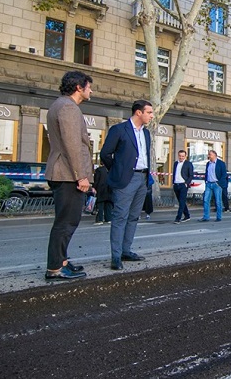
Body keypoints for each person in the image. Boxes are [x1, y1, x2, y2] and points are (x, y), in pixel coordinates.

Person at [43, 71, 93, 280]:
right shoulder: (68, 107)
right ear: (79, 87)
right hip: (67, 174)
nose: (91, 91)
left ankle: (62, 260)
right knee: (66, 222)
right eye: (89, 87)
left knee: (66, 221)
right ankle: (55, 268)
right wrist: (81, 176)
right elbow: (72, 145)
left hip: (64, 172)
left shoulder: (60, 105)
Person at [100, 99, 154, 271]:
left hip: (142, 178)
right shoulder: (119, 130)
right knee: (120, 217)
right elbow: (105, 154)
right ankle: (115, 257)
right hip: (126, 179)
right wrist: (118, 171)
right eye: (149, 112)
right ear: (139, 112)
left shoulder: (146, 133)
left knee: (133, 216)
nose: (152, 116)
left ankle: (126, 251)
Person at [198, 150, 228, 222]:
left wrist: (219, 183)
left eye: (210, 154)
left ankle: (219, 217)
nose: (209, 156)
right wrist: (206, 181)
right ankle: (206, 217)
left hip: (216, 184)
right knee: (206, 200)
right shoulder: (208, 163)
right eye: (209, 154)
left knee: (218, 201)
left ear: (215, 155)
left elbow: (224, 174)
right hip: (208, 184)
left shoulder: (221, 163)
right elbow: (207, 173)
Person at [172, 150, 194, 224]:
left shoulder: (188, 164)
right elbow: (174, 173)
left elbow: (191, 175)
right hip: (176, 184)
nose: (181, 157)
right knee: (181, 201)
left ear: (185, 156)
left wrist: (186, 183)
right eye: (180, 156)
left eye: (182, 156)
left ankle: (178, 218)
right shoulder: (175, 163)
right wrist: (173, 183)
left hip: (183, 185)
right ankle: (187, 215)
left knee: (181, 202)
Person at [93, 160, 113, 225]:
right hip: (109, 189)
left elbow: (96, 180)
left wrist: (94, 187)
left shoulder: (99, 170)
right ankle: (108, 218)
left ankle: (100, 219)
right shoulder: (111, 170)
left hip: (101, 189)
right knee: (108, 205)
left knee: (100, 205)